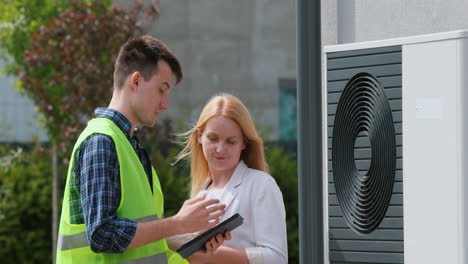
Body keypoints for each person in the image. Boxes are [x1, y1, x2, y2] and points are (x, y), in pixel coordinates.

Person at [56, 35, 229, 264]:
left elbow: (139, 244)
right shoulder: (101, 141)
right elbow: (102, 234)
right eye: (162, 90)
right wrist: (177, 223)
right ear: (136, 81)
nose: (166, 104)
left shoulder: (129, 146)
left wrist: (185, 240)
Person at [174, 93, 288, 264]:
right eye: (213, 139)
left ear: (243, 143)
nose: (220, 149)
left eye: (231, 141)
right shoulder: (199, 195)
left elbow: (277, 258)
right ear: (199, 137)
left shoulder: (260, 185)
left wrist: (211, 254)